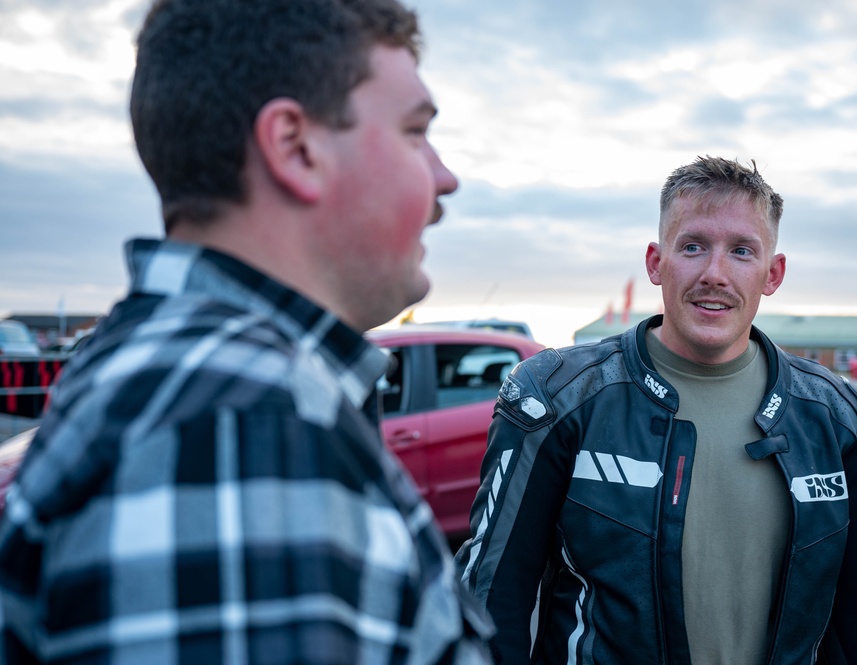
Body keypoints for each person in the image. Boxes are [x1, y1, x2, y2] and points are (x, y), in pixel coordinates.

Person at [0, 0, 493, 662]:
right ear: (295, 147)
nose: (444, 177)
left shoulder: (183, 379)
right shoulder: (243, 420)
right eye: (414, 132)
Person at [456, 156, 857, 664]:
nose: (714, 274)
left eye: (742, 251)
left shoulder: (842, 418)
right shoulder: (558, 398)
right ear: (656, 262)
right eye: (693, 247)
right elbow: (492, 597)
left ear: (772, 273)